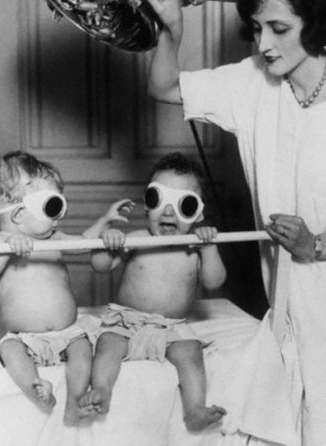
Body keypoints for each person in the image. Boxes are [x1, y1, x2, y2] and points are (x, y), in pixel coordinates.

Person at [142, 0, 326, 445]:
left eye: (279, 28)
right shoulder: (255, 82)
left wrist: (316, 244)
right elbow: (165, 86)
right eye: (257, 28)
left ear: (314, 24)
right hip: (291, 306)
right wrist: (171, 31)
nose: (263, 44)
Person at [0, 151, 134, 425]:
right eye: (51, 207)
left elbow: (84, 243)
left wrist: (104, 221)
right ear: (18, 213)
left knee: (83, 350)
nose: (58, 217)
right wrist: (8, 248)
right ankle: (35, 386)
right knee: (10, 351)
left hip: (67, 333)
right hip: (24, 338)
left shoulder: (54, 237)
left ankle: (74, 403)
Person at [79, 152, 228, 432]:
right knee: (108, 344)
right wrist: (107, 241)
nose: (168, 212)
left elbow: (214, 282)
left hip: (171, 327)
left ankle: (195, 409)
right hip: (127, 321)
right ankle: (101, 390)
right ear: (147, 205)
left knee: (191, 352)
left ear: (198, 213)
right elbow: (101, 266)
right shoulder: (137, 238)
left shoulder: (194, 247)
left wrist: (210, 248)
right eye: (158, 200)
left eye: (184, 205)